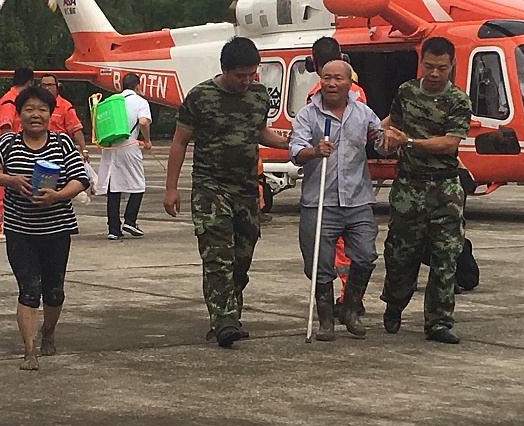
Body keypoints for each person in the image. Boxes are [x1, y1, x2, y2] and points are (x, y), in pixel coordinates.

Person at [164, 36, 289, 348]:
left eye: (251, 74)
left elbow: (260, 132)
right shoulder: (200, 97)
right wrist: (171, 188)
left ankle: (231, 314)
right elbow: (179, 142)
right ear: (224, 69)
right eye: (240, 75)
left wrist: (290, 143)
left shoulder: (259, 95)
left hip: (246, 189)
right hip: (210, 188)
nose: (246, 81)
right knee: (218, 257)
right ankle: (224, 322)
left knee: (241, 258)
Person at [0, 85, 90, 370]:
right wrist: (9, 180)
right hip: (20, 231)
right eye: (29, 109)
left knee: (54, 291)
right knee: (29, 289)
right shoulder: (7, 143)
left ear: (51, 114)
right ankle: (29, 350)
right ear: (19, 114)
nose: (36, 115)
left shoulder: (62, 144)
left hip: (57, 229)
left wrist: (58, 196)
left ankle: (49, 331)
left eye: (42, 110)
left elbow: (80, 179)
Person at [379, 36, 472, 345]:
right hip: (409, 186)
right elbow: (392, 124)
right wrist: (380, 134)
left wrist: (409, 142)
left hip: (445, 187)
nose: (434, 73)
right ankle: (394, 303)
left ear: (452, 66)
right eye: (429, 66)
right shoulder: (406, 92)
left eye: (441, 68)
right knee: (401, 253)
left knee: (446, 255)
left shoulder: (458, 100)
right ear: (421, 63)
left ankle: (439, 322)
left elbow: (449, 143)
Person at [291, 59, 381, 341]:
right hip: (320, 201)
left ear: (349, 83)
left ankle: (350, 309)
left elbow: (380, 143)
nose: (331, 84)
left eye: (338, 79)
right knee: (319, 264)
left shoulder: (363, 113)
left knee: (365, 255)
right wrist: (314, 151)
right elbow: (296, 152)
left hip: (358, 199)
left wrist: (385, 139)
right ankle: (325, 321)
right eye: (327, 78)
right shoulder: (307, 115)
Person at [96, 73, 152, 240]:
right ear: (137, 86)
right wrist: (147, 140)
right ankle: (130, 220)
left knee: (114, 186)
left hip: (110, 145)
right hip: (129, 145)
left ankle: (113, 229)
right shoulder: (141, 102)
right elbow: (143, 122)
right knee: (138, 184)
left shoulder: (112, 101)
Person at [0, 67, 34, 242]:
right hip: (3, 152)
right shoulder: (10, 101)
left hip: (7, 150)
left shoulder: (12, 99)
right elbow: (6, 128)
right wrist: (10, 150)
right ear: (29, 82)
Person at [38, 73, 89, 161]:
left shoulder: (65, 107)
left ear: (57, 86)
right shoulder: (34, 105)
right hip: (38, 149)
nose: (46, 88)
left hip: (58, 151)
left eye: (50, 85)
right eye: (43, 85)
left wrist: (84, 149)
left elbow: (76, 130)